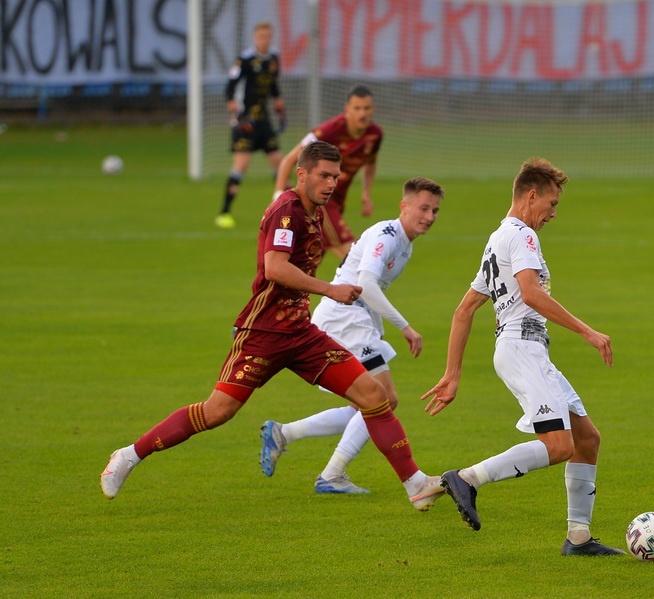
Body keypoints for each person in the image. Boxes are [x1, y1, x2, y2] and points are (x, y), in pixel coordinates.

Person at [102, 142, 445, 513]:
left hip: (302, 333)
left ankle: (415, 484)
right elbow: (275, 268)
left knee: (374, 396)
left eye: (335, 176)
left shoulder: (317, 212)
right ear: (302, 174)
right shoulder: (287, 210)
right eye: (324, 175)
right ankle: (129, 455)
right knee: (217, 412)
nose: (331, 183)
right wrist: (331, 289)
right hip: (264, 332)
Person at [420, 158, 626, 556]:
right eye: (551, 203)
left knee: (587, 439)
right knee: (559, 445)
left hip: (527, 350)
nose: (552, 213)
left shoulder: (499, 238)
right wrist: (588, 331)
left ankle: (579, 539)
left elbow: (464, 310)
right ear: (531, 196)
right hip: (522, 349)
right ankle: (466, 478)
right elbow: (531, 294)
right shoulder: (522, 237)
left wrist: (452, 374)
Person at [259, 177, 444, 497]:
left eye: (435, 211)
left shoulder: (405, 243)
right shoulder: (388, 235)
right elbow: (366, 284)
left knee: (371, 402)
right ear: (404, 206)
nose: (429, 216)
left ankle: (284, 434)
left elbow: (371, 290)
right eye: (423, 208)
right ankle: (332, 473)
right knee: (383, 400)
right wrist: (405, 327)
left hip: (353, 318)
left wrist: (378, 331)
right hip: (345, 317)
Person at [274, 85, 382, 258]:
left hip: (338, 201)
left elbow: (370, 163)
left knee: (308, 260)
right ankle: (370, 285)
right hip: (318, 200)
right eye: (357, 108)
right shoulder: (329, 131)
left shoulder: (375, 135)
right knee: (353, 255)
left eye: (367, 108)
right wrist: (278, 196)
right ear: (347, 109)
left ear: (373, 109)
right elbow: (289, 160)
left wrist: (366, 194)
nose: (362, 113)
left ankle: (283, 284)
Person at [216, 21, 286, 229]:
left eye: (268, 36)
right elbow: (231, 86)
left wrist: (277, 100)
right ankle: (224, 212)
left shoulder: (273, 59)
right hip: (246, 120)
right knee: (241, 165)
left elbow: (273, 84)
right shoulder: (245, 60)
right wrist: (233, 108)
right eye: (261, 36)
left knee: (280, 164)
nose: (265, 39)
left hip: (264, 120)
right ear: (255, 38)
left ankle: (287, 212)